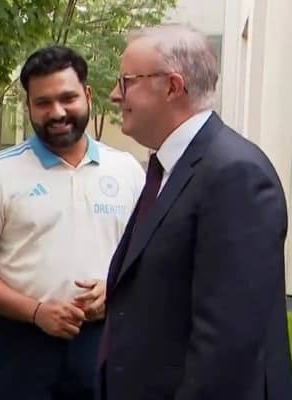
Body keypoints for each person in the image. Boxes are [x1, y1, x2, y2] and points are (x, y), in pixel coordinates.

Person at [99, 23, 292, 400]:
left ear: (172, 86)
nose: (114, 94)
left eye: (126, 81)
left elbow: (227, 346)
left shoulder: (235, 173)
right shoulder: (172, 166)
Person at [0, 45, 145, 400]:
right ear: (29, 107)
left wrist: (113, 288)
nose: (57, 112)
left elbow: (146, 258)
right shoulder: (0, 172)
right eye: (43, 103)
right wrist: (36, 312)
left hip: (106, 338)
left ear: (87, 94)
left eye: (67, 97)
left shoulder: (127, 170)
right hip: (22, 345)